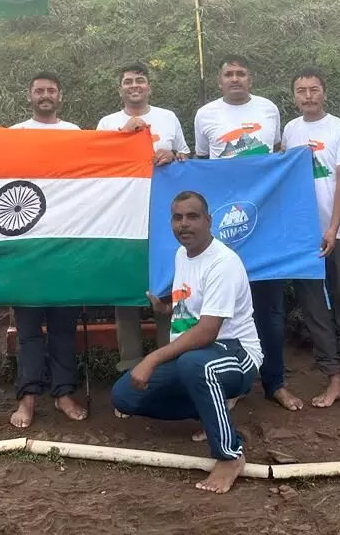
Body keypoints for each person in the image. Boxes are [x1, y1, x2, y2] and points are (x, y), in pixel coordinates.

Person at [111, 191, 262, 495]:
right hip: (196, 355)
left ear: (208, 221)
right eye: (178, 217)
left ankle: (230, 455)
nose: (184, 224)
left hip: (236, 352)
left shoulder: (223, 263)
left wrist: (151, 359)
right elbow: (191, 309)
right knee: (124, 396)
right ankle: (208, 410)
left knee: (194, 364)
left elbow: (207, 331)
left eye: (192, 217)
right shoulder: (183, 255)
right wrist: (168, 311)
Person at [194, 55, 303, 412]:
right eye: (229, 74)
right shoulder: (205, 114)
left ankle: (275, 383)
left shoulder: (269, 110)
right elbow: (201, 167)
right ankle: (230, 386)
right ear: (220, 80)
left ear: (250, 80)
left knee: (270, 309)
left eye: (241, 73)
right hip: (223, 226)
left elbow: (276, 161)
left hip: (265, 222)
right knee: (221, 308)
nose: (235, 79)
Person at [281, 67, 340, 416]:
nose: (308, 96)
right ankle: (333, 379)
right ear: (294, 96)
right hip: (304, 237)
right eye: (301, 90)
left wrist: (333, 228)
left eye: (314, 89)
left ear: (324, 92)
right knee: (315, 310)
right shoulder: (290, 130)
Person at [97, 61, 190, 371]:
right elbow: (98, 169)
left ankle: (168, 368)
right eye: (128, 81)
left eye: (140, 80)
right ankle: (130, 369)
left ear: (149, 85)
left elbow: (187, 160)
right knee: (126, 294)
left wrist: (174, 156)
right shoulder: (107, 123)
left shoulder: (168, 117)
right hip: (123, 220)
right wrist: (123, 138)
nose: (134, 85)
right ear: (120, 88)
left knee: (167, 289)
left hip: (164, 219)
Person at [9, 72, 88, 428]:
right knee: (27, 330)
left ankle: (63, 393)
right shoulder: (14, 135)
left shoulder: (75, 134)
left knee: (62, 327)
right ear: (30, 96)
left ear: (61, 96)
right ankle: (27, 398)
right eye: (39, 90)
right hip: (25, 247)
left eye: (51, 90)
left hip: (65, 246)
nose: (45, 95)